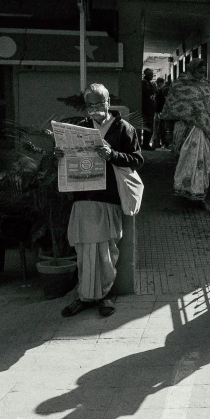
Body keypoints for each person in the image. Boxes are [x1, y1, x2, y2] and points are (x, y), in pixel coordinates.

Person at [60, 83, 144, 318]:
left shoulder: (124, 129)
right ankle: (84, 296)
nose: (94, 108)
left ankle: (105, 295)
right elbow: (71, 159)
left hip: (108, 197)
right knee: (84, 250)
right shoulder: (80, 128)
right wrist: (61, 154)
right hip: (83, 197)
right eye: (90, 104)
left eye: (99, 103)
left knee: (106, 251)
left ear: (108, 102)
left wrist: (112, 155)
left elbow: (137, 160)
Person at [159, 59, 210, 211]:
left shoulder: (207, 86)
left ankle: (199, 196)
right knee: (186, 161)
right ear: (191, 70)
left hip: (203, 131)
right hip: (186, 131)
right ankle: (184, 193)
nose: (201, 75)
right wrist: (167, 132)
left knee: (202, 163)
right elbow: (171, 108)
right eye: (199, 72)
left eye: (203, 72)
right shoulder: (180, 85)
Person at [141, 68, 157, 150]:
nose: (151, 76)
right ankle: (145, 144)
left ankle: (146, 144)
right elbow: (148, 93)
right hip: (146, 108)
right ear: (146, 75)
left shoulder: (149, 83)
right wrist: (153, 89)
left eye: (152, 74)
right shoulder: (144, 83)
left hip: (149, 108)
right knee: (147, 127)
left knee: (149, 127)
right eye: (150, 74)